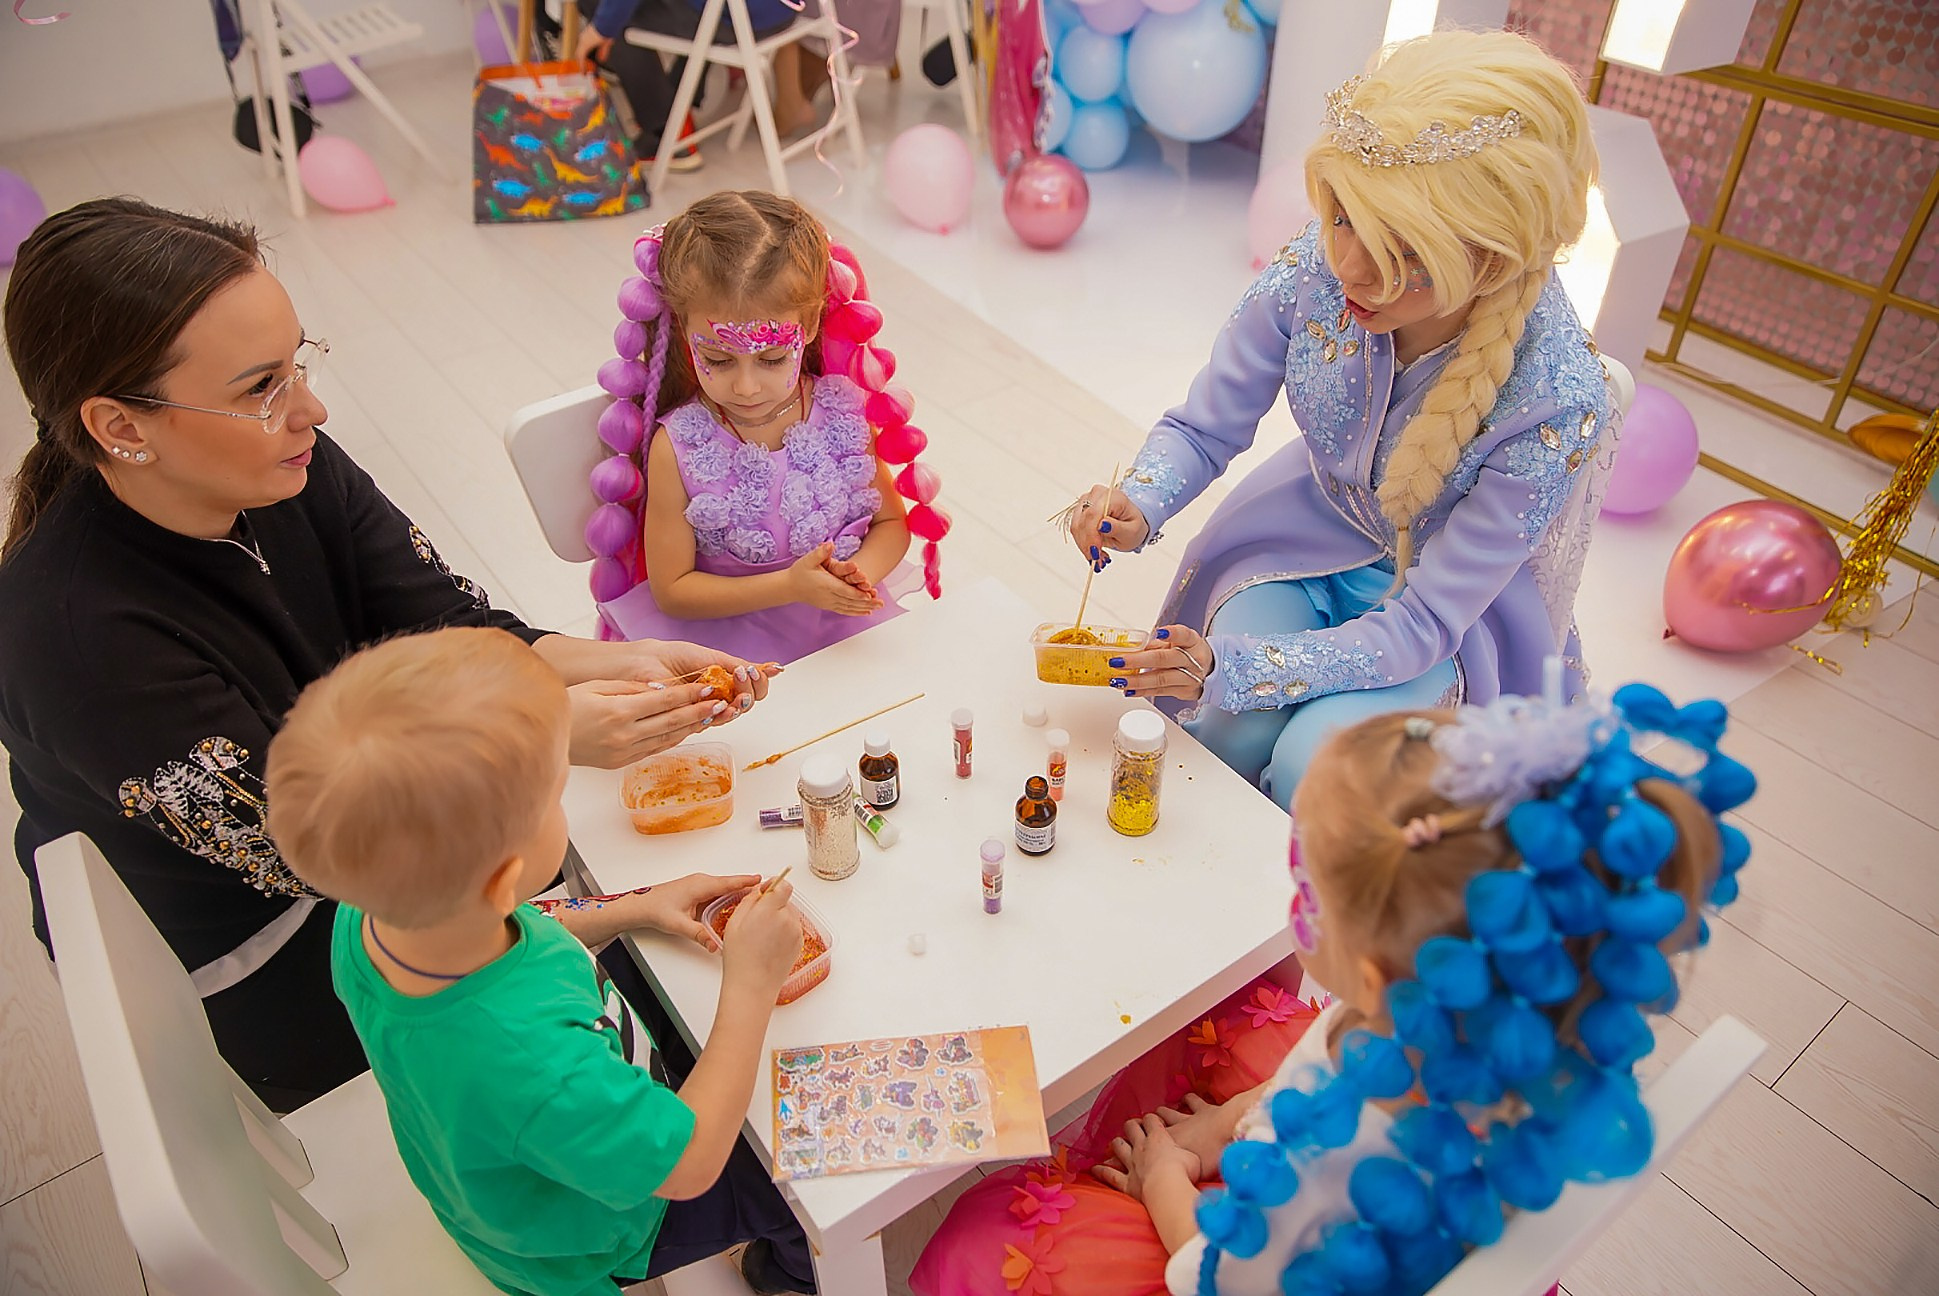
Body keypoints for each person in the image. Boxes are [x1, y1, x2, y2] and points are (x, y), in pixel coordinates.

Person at [0, 198, 772, 1110]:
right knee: (679, 1001)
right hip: (282, 951)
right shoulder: (74, 642)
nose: (309, 409)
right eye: (260, 388)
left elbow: (441, 620)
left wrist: (615, 660)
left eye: (297, 365)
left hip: (392, 856)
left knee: (684, 915)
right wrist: (539, 735)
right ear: (120, 426)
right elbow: (325, 848)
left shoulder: (285, 463)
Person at [910, 681, 1753, 1295]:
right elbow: (1315, 1058)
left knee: (979, 1238)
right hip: (1389, 1175)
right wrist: (1215, 1128)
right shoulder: (1520, 1003)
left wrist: (1167, 1179)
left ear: (1376, 971)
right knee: (1223, 1022)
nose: (1295, 904)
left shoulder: (1334, 1161)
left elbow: (1224, 1279)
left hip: (1274, 1263)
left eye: (1306, 890)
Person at [1066, 31, 1614, 810]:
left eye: (1402, 250)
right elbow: (1204, 427)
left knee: (1315, 772)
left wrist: (1233, 665)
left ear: (1489, 258)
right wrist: (1139, 503)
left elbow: (1424, 621)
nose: (1349, 268)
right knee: (1223, 731)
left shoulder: (1555, 394)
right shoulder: (1314, 272)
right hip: (1298, 542)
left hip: (1448, 625)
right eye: (1344, 217)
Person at [266, 627, 817, 1295]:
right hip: (605, 1227)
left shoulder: (371, 918)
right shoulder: (532, 1063)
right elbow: (691, 1164)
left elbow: (524, 924)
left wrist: (637, 905)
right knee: (798, 1186)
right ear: (504, 877)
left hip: (512, 1159)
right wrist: (750, 986)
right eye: (555, 793)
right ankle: (778, 1271)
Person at [592, 191, 934, 663]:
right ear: (683, 328)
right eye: (717, 358)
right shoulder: (680, 446)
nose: (747, 386)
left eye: (772, 358)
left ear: (811, 323)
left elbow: (892, 523)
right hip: (728, 651)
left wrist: (854, 578)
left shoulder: (843, 412)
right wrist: (791, 587)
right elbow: (672, 590)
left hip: (842, 630)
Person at [573, 0, 831, 168]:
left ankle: (666, 134)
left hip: (736, 19)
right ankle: (678, 105)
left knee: (598, 5)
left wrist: (601, 29)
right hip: (785, 10)